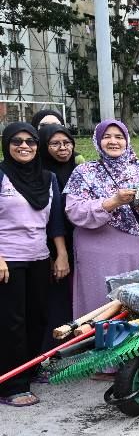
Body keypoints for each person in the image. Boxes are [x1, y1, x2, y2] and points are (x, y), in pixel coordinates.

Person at [65, 121, 139, 317]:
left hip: (138, 249)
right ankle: (97, 342)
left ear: (127, 140)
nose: (113, 141)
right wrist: (113, 202)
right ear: (97, 141)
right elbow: (74, 210)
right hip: (96, 252)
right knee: (99, 303)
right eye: (106, 137)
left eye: (119, 137)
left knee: (137, 303)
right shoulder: (84, 172)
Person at [0, 123, 69, 406]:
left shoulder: (48, 177)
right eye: (17, 141)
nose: (24, 146)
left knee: (37, 317)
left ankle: (30, 369)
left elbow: (54, 222)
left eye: (30, 141)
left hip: (39, 257)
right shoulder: (1, 175)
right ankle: (11, 385)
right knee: (11, 323)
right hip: (7, 260)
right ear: (6, 144)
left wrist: (61, 254)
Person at [38, 124, 84, 342]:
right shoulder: (39, 174)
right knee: (54, 297)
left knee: (74, 294)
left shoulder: (81, 171)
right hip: (50, 245)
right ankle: (52, 346)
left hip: (79, 241)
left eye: (67, 143)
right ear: (44, 147)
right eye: (55, 144)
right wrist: (58, 252)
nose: (62, 148)